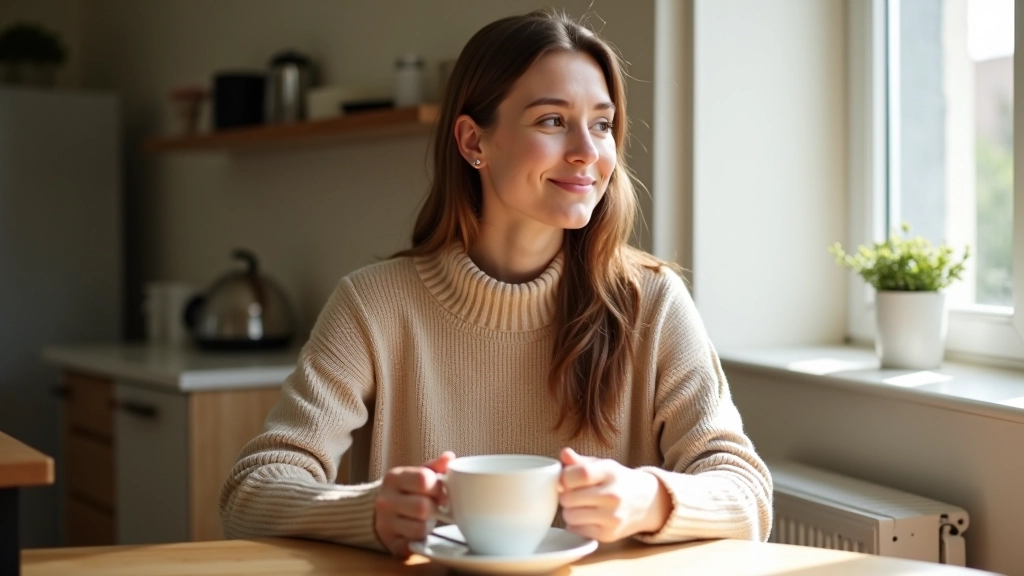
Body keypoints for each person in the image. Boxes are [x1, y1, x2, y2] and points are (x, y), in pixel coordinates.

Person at [219, 9, 772, 558]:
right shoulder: (373, 306)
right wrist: (369, 511)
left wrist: (649, 500)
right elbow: (250, 491)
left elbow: (748, 494)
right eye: (552, 120)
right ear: (472, 142)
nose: (587, 151)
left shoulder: (651, 302)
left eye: (602, 124)